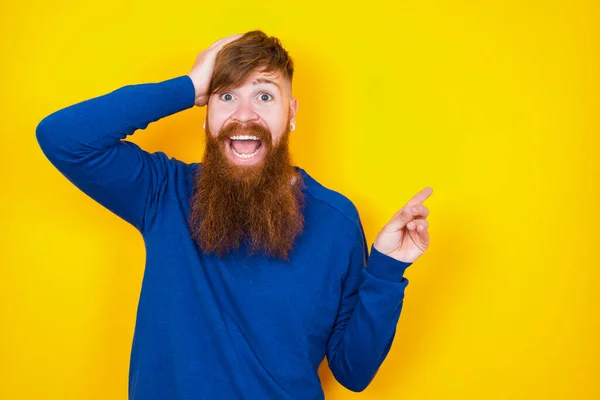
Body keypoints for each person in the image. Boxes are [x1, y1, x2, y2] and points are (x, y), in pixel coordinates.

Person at [36, 30, 433, 400]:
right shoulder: (164, 192)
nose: (245, 115)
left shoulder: (336, 220)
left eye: (264, 96)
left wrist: (386, 269)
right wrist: (188, 87)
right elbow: (62, 137)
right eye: (226, 97)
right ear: (206, 112)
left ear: (291, 113)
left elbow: (353, 372)